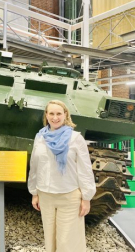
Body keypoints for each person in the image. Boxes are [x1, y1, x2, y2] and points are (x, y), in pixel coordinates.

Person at [28, 100, 96, 252]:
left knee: (68, 242)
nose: (55, 117)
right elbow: (35, 166)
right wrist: (34, 193)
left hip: (69, 196)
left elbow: (85, 170)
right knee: (50, 240)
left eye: (59, 113)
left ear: (65, 115)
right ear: (46, 115)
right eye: (51, 113)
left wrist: (86, 198)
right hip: (46, 195)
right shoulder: (40, 137)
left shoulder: (75, 138)